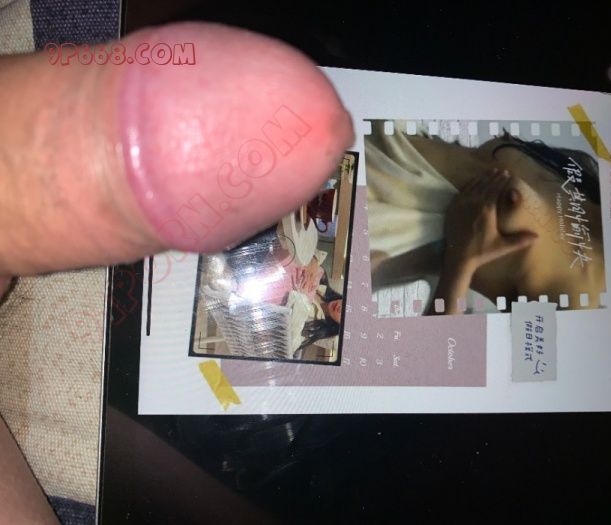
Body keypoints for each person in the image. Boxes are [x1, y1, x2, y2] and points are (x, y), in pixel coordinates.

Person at [0, 21, 353, 523]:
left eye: (333, 312)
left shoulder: (305, 332)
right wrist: (298, 268)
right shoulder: (314, 269)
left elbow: (268, 338)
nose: (332, 307)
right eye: (335, 303)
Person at [366, 122, 605, 314]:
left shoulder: (579, 300)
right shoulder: (591, 181)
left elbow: (442, 352)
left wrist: (461, 262)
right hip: (373, 135)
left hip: (373, 218)